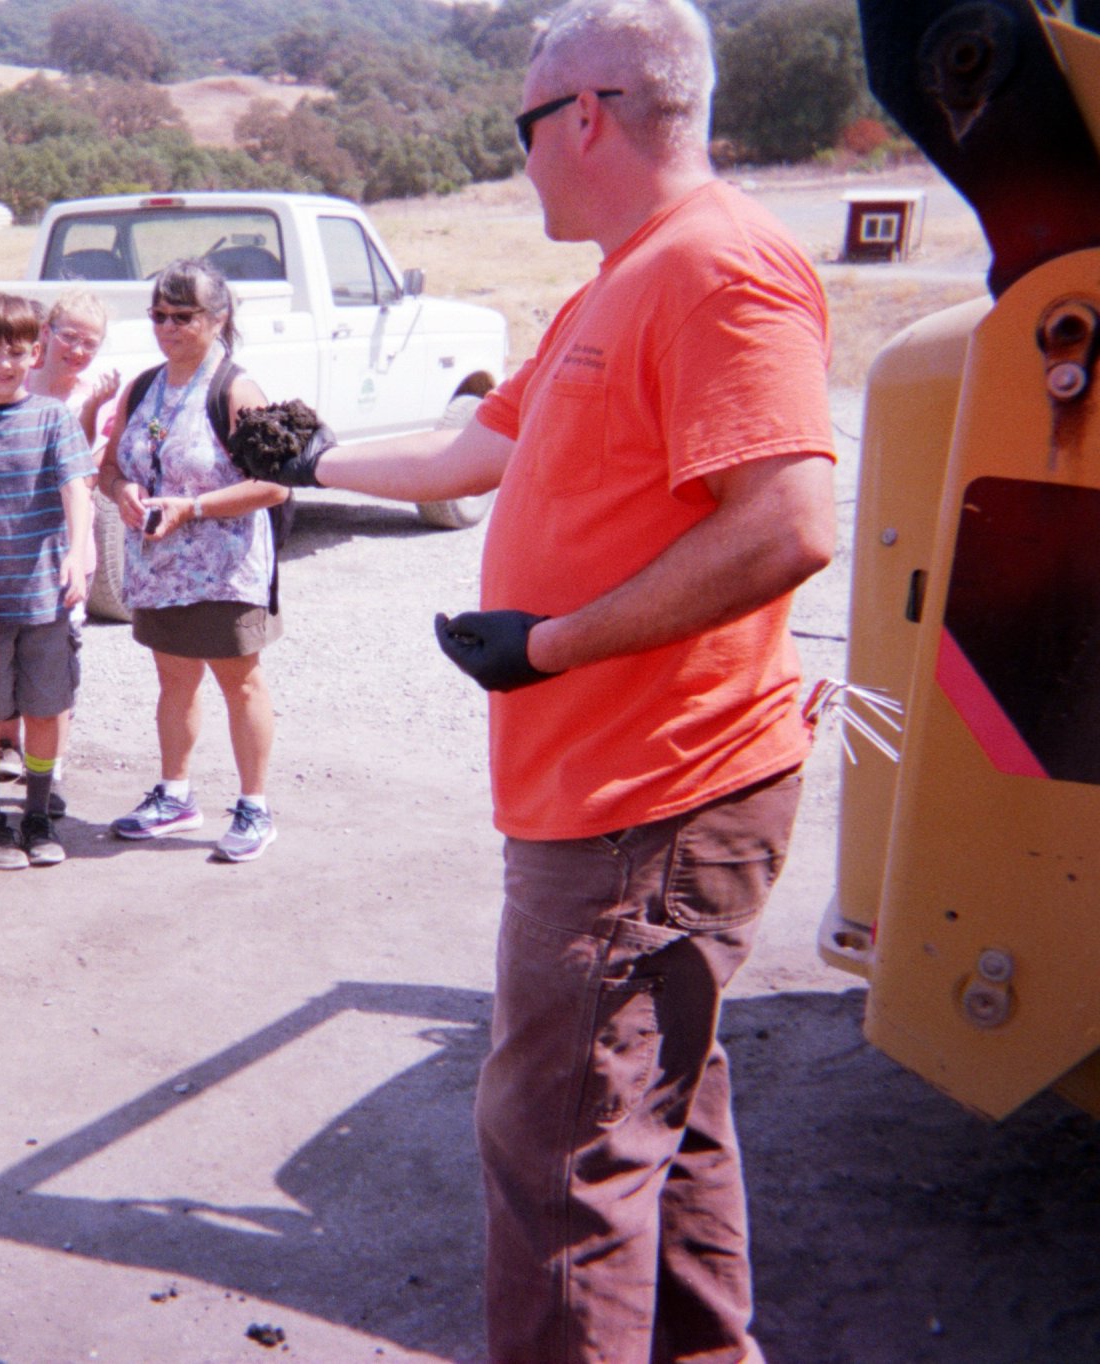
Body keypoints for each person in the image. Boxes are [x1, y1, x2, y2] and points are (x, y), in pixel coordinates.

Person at [241, 2, 836, 1357]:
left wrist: (549, 646)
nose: (519, 161)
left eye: (525, 128)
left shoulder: (717, 268)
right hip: (617, 790)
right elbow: (468, 455)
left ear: (588, 115)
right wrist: (304, 456)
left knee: (563, 1158)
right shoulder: (622, 278)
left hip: (649, 797)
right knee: (654, 1136)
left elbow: (789, 522)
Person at [96, 258, 290, 863]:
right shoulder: (143, 385)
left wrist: (194, 507)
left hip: (226, 573)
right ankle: (175, 797)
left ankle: (254, 807)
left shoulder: (236, 389)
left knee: (241, 684)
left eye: (183, 316)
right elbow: (110, 467)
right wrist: (121, 490)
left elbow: (277, 485)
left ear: (218, 318)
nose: (168, 327)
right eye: (159, 315)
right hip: (159, 573)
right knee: (174, 682)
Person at [0, 289, 120, 818]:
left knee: (49, 705)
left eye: (17, 352)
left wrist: (74, 552)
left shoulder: (54, 417)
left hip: (46, 594)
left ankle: (39, 812)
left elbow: (76, 486)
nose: (5, 364)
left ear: (34, 353)